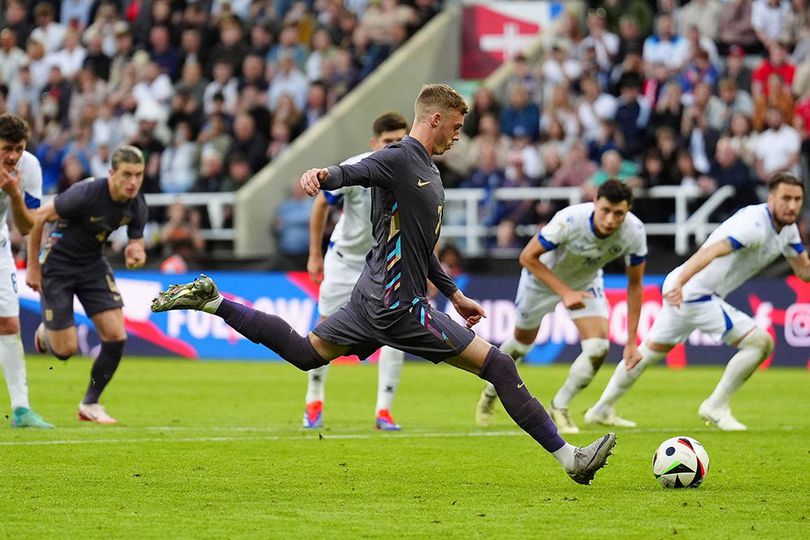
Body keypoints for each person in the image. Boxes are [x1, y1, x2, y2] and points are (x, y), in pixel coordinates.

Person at [152, 84, 616, 485]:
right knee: (497, 366)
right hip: (398, 306)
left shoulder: (429, 170)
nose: (459, 135)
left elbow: (420, 248)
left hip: (370, 299)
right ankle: (570, 459)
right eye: (455, 125)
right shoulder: (397, 158)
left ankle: (214, 302)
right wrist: (322, 175)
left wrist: (453, 293)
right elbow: (351, 173)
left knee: (304, 353)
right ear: (435, 118)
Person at [586, 172, 809, 431]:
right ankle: (716, 406)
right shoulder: (754, 225)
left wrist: (678, 282)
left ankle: (600, 409)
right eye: (786, 198)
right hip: (694, 293)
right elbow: (711, 250)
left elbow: (803, 270)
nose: (792, 205)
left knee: (646, 353)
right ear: (771, 198)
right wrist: (681, 281)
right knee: (760, 342)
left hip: (688, 290)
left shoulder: (789, 230)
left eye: (797, 199)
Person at [475, 180, 647, 433]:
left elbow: (635, 286)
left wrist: (632, 342)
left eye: (619, 213)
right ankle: (491, 392)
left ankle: (560, 406)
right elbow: (527, 257)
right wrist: (565, 292)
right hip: (541, 279)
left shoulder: (634, 231)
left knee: (598, 348)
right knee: (522, 344)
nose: (610, 220)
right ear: (595, 203)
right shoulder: (569, 220)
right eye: (605, 210)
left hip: (586, 281)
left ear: (628, 210)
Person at [26, 145, 148, 425]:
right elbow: (38, 219)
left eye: (138, 175)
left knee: (117, 336)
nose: (133, 182)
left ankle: (90, 404)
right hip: (57, 266)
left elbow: (137, 244)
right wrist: (33, 266)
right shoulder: (87, 193)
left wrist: (137, 254)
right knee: (66, 350)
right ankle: (48, 332)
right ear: (111, 173)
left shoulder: (137, 203)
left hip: (92, 265)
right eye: (127, 174)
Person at [305, 111, 408, 430]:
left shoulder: (411, 170)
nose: (394, 147)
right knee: (325, 329)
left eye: (400, 141)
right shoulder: (356, 168)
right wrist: (315, 254)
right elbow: (322, 203)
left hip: (386, 265)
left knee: (396, 332)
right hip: (345, 261)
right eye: (388, 142)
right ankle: (314, 400)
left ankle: (384, 411)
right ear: (374, 143)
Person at [0, 113, 52, 428]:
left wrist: (15, 194)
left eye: (19, 148)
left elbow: (27, 224)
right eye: (7, 148)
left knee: (8, 323)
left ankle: (21, 409)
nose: (14, 156)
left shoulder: (28, 167)